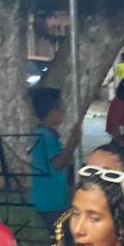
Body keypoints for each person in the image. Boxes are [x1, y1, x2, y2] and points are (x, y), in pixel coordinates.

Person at [30, 87, 82, 235]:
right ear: (52, 113)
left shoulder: (44, 134)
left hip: (50, 198)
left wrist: (73, 143)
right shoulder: (46, 136)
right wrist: (72, 139)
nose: (63, 113)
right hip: (51, 200)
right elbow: (59, 163)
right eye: (61, 109)